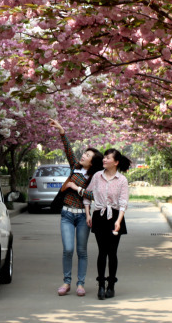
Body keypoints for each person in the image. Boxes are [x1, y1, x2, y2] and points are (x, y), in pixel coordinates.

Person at [49, 119, 102, 297]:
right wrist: (62, 131)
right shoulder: (75, 168)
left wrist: (76, 188)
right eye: (84, 153)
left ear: (92, 163)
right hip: (66, 214)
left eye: (87, 156)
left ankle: (80, 283)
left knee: (81, 251)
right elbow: (68, 150)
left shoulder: (95, 178)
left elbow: (94, 197)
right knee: (68, 249)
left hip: (82, 216)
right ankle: (66, 282)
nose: (83, 156)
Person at [82, 148, 131, 299]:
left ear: (115, 162)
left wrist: (118, 220)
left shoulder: (122, 180)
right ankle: (101, 286)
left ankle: (111, 285)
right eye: (104, 157)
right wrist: (88, 213)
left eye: (108, 158)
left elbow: (123, 203)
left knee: (112, 252)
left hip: (115, 216)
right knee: (102, 251)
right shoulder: (97, 176)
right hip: (100, 215)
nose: (104, 159)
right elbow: (87, 194)